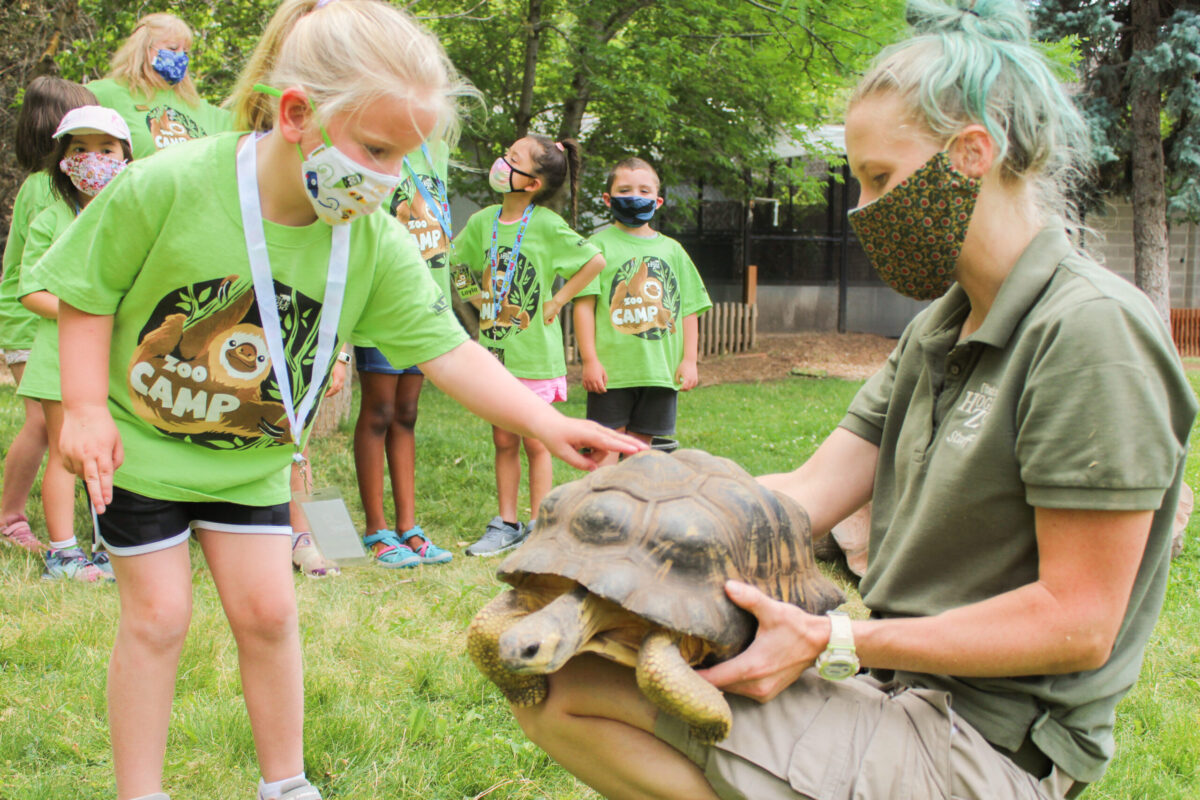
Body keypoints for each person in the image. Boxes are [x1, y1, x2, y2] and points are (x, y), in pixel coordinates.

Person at [506, 2, 1198, 799]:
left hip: (988, 746)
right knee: (563, 671)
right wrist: (626, 527)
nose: (863, 208)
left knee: (577, 694)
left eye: (880, 178)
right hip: (898, 688)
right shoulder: (941, 327)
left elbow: (1078, 623)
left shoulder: (1089, 332)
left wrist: (836, 638)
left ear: (971, 154)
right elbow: (801, 498)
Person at [36, 1, 640, 798]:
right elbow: (85, 293)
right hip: (141, 452)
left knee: (271, 617)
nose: (389, 178)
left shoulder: (373, 238)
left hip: (250, 466)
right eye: (377, 150)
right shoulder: (169, 183)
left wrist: (546, 420)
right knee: (158, 621)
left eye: (405, 158)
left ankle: (286, 785)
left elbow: (448, 350)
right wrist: (80, 409)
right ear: (296, 115)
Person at [454, 135, 606, 556]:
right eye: (505, 153)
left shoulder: (546, 225)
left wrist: (558, 300)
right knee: (503, 441)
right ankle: (506, 523)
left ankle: (540, 526)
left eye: (512, 158)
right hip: (495, 356)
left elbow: (595, 260)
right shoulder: (483, 221)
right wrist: (475, 297)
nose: (502, 161)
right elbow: (456, 260)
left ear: (532, 183)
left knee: (538, 442)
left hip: (536, 357)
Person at [16, 105, 133, 582]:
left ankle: (108, 544)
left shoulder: (132, 216)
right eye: (79, 149)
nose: (93, 159)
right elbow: (31, 290)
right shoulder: (51, 219)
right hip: (61, 358)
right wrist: (87, 314)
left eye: (105, 149)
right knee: (68, 454)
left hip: (118, 359)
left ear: (125, 156)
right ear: (63, 160)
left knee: (114, 452)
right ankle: (62, 551)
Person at [0, 77, 95, 553]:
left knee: (52, 425)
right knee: (42, 423)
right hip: (32, 320)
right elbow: (33, 278)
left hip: (58, 317)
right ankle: (11, 516)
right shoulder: (45, 191)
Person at [351, 141, 456, 568]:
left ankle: (408, 528)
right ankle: (378, 531)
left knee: (407, 413)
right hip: (382, 298)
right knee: (378, 411)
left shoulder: (440, 151)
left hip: (426, 300)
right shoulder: (372, 146)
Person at [574, 157, 711, 463]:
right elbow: (583, 307)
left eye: (644, 190)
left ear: (658, 201)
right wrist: (590, 360)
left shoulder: (673, 251)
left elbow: (689, 308)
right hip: (611, 374)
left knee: (640, 459)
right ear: (608, 199)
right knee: (603, 453)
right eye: (625, 189)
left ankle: (632, 512)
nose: (635, 196)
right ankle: (601, 511)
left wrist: (690, 361)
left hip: (659, 374)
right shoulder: (595, 248)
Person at [87, 12, 230, 160]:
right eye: (173, 48)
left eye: (185, 52)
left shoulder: (195, 104)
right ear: (143, 49)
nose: (181, 57)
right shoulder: (107, 93)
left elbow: (247, 122)